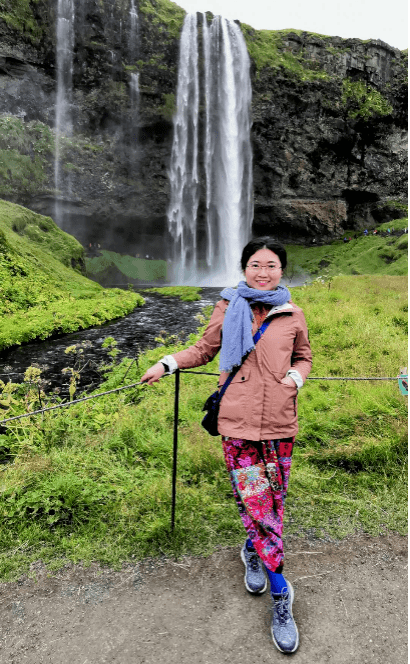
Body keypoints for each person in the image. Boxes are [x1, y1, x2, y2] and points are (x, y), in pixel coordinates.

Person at [141, 237, 312, 654]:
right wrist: (166, 363)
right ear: (244, 268)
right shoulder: (227, 306)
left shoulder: (292, 314)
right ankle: (280, 595)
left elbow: (304, 356)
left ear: (281, 271)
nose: (263, 271)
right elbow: (205, 349)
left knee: (273, 504)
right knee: (262, 510)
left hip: (279, 425)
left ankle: (252, 549)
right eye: (255, 264)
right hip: (237, 426)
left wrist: (296, 379)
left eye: (271, 265)